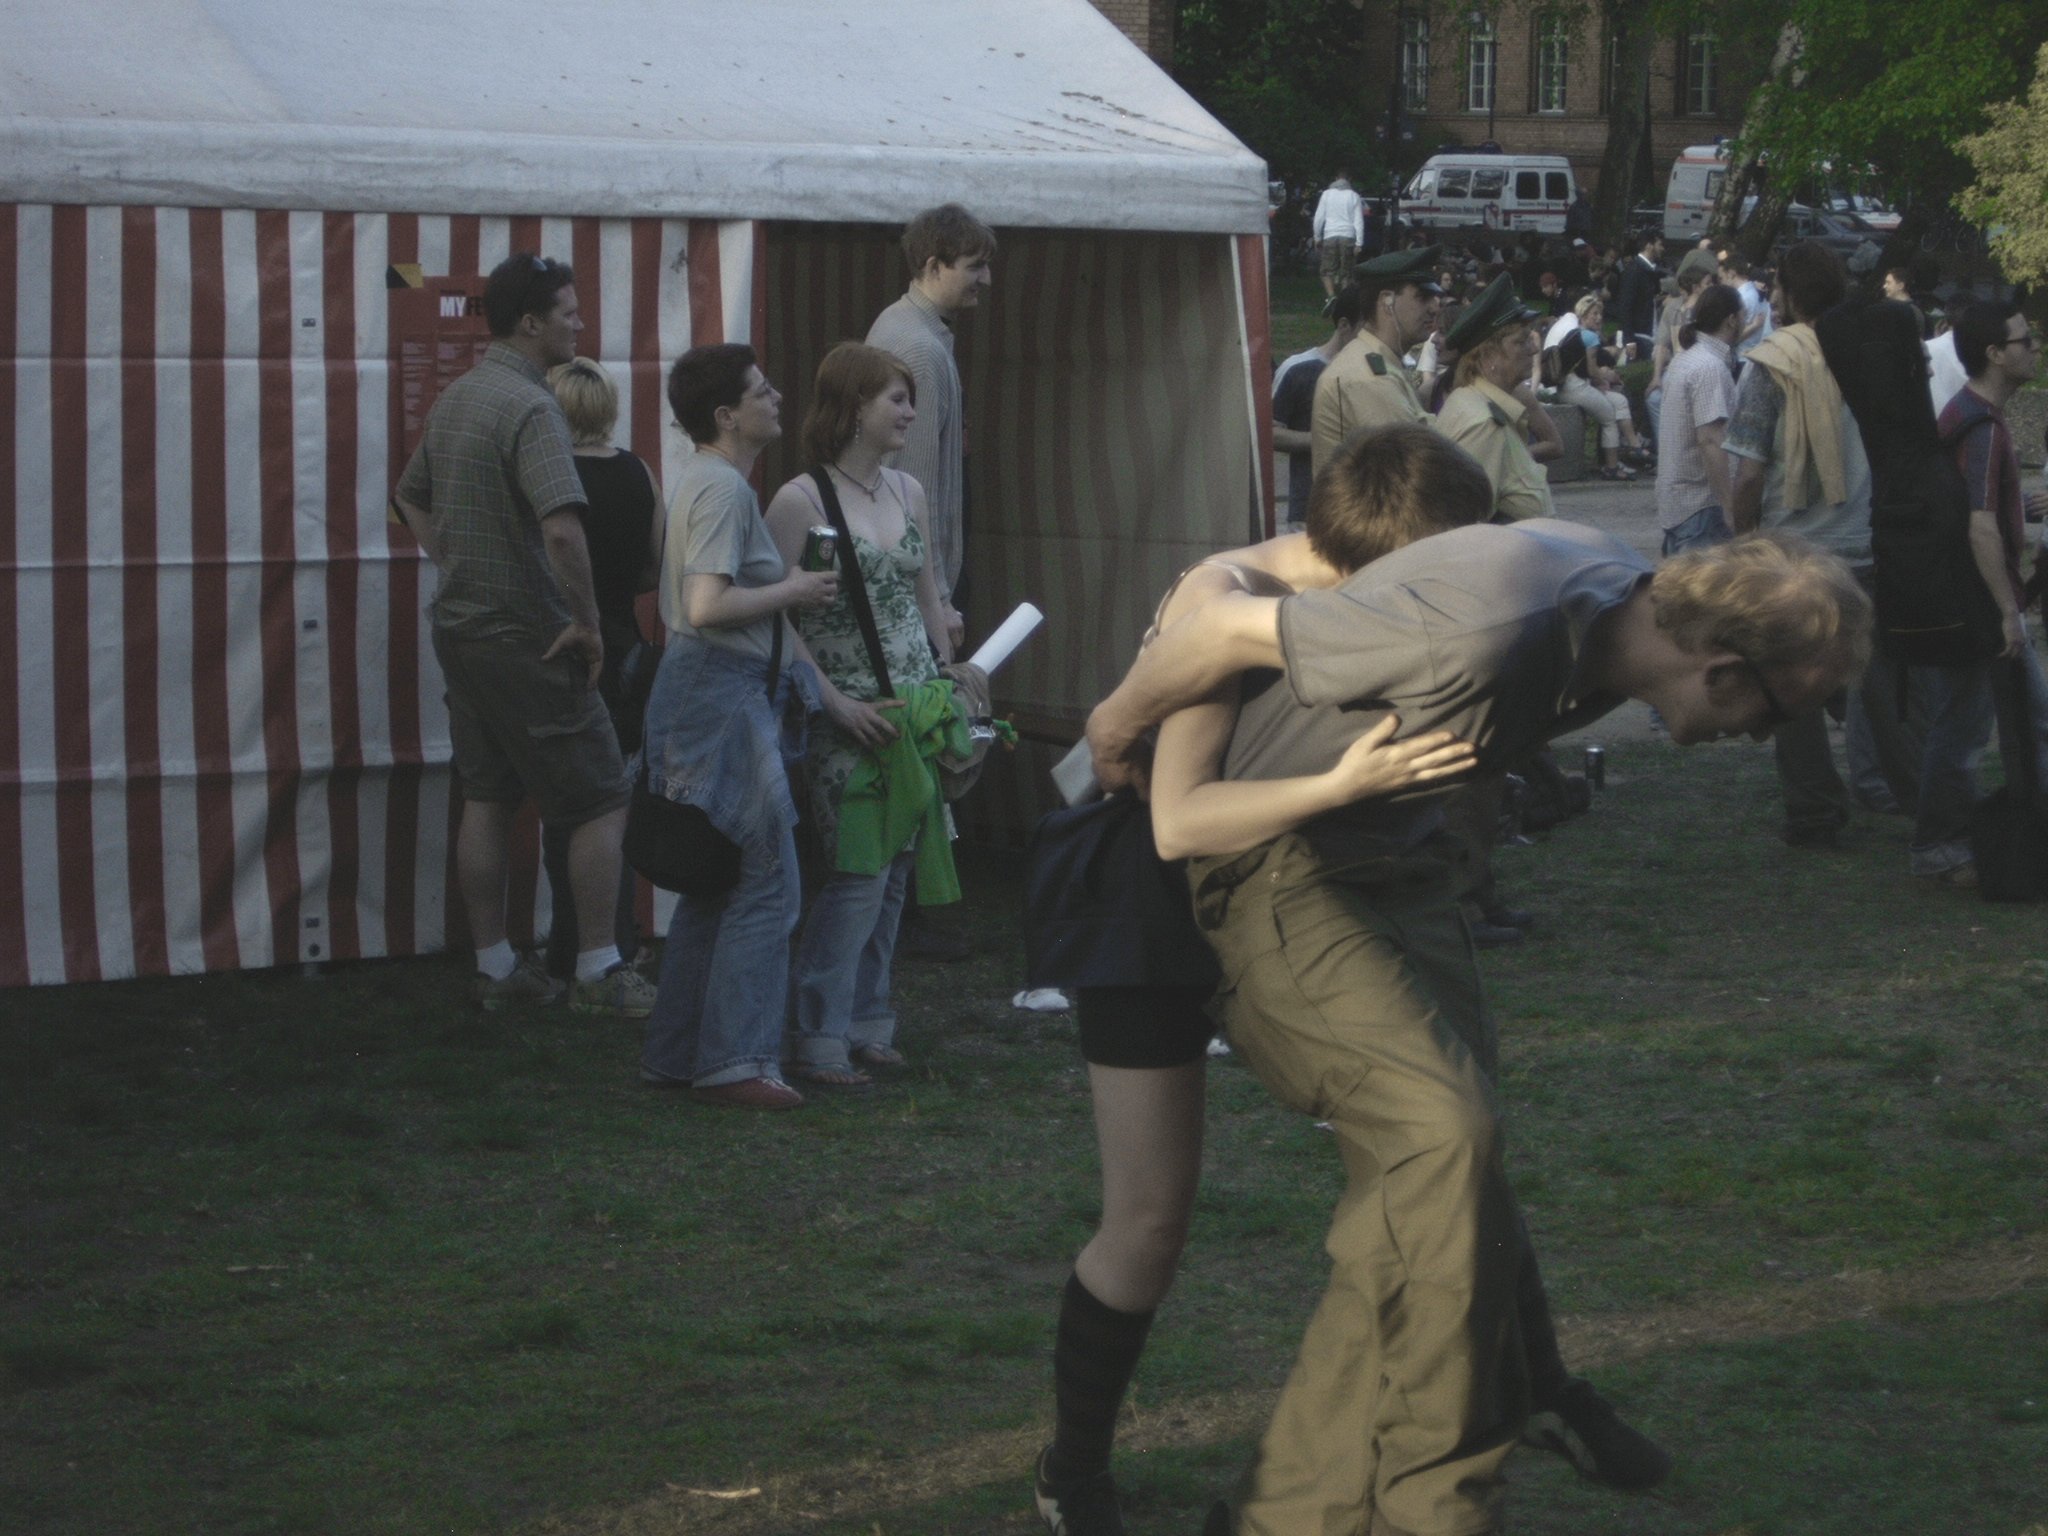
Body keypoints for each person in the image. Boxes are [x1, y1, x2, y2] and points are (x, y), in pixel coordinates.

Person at [1087, 525, 1871, 1536]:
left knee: (1444, 1172)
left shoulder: (1613, 613)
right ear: (1721, 668)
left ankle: (1297, 1506)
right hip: (1277, 864)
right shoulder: (1491, 629)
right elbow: (1218, 621)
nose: (1763, 740)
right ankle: (1431, 1502)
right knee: (1437, 1140)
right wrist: (1115, 725)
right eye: (1777, 715)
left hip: (1392, 862)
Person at [1032, 425, 1493, 1536]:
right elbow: (1177, 819)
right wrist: (1343, 786)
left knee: (1423, 1165)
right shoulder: (1225, 606)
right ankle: (1071, 1471)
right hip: (1155, 911)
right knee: (1150, 1220)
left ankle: (1388, 1461)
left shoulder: (1350, 593)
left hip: (1295, 901)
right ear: (1385, 566)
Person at [392, 252, 655, 1018]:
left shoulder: (459, 396)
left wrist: (456, 561)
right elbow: (565, 535)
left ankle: (496, 967)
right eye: (570, 311)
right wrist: (582, 622)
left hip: (462, 629)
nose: (581, 321)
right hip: (528, 636)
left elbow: (410, 496)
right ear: (531, 323)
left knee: (488, 792)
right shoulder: (533, 408)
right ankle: (602, 972)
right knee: (602, 793)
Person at [637, 344, 835, 1110]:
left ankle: (680, 1053)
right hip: (716, 692)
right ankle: (735, 1062)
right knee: (767, 881)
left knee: (718, 881)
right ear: (727, 415)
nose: (778, 395)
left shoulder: (712, 483)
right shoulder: (721, 491)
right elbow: (705, 607)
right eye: (762, 389)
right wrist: (793, 588)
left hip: (707, 691)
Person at [765, 343, 957, 1086]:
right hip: (844, 705)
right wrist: (833, 703)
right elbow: (777, 618)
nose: (908, 411)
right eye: (894, 399)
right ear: (850, 408)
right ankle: (817, 1038)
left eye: (909, 398)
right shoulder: (801, 499)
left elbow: (928, 595)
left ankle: (870, 1023)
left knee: (900, 868)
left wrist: (950, 684)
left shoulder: (908, 491)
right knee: (855, 874)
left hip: (914, 706)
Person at [1725, 240, 1914, 846]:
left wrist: (1744, 541)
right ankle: (1915, 795)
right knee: (1879, 687)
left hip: (1794, 552)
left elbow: (1749, 470)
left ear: (1786, 291)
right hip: (1866, 544)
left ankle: (1814, 811)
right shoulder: (1873, 351)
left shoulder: (1771, 363)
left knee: (1790, 686)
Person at [539, 357, 662, 984]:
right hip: (624, 646)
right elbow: (653, 566)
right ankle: (614, 940)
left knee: (568, 808)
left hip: (560, 646)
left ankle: (577, 946)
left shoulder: (546, 476)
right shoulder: (639, 472)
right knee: (613, 800)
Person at [1924, 299, 2048, 882]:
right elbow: (1977, 525)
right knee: (1963, 728)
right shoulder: (1982, 426)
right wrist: (2008, 611)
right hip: (1978, 604)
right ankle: (1940, 848)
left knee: (2000, 718)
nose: (2035, 348)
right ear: (1996, 355)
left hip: (1968, 596)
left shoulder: (1975, 416)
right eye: (2025, 341)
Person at [865, 203, 987, 633]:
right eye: (975, 267)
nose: (985, 280)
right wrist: (938, 600)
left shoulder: (909, 326)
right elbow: (915, 490)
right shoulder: (918, 347)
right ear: (934, 266)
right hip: (920, 594)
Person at [1307, 246, 1444, 479]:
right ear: (1386, 301)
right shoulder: (1368, 377)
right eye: (1422, 297)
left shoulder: (1381, 363)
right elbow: (1414, 469)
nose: (1434, 307)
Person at [1435, 275, 1559, 522]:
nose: (1533, 349)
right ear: (1488, 356)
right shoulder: (1485, 425)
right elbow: (1469, 525)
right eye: (1520, 342)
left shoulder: (1477, 402)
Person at [1655, 282, 1745, 555]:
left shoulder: (1686, 360)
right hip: (1702, 509)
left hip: (1678, 506)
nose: (1746, 321)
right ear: (1731, 320)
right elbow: (1710, 440)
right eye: (1743, 315)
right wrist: (1730, 507)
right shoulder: (1709, 368)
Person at [1271, 284, 1363, 530]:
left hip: (1362, 513)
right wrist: (1323, 438)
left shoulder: (1375, 370)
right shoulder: (1299, 368)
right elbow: (1269, 433)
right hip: (1309, 512)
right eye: (1365, 332)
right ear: (1344, 326)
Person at [1311, 169, 1366, 299]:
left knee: (1326, 271)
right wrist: (1359, 242)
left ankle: (1331, 296)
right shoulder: (1354, 196)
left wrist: (1317, 237)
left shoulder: (1326, 194)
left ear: (1335, 179)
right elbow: (1358, 220)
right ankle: (1345, 298)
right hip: (1348, 236)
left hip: (1330, 234)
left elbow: (1319, 218)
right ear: (1350, 180)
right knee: (1347, 272)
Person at [1615, 230, 1666, 357]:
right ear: (1649, 245)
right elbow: (1625, 306)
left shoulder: (1648, 270)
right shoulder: (1634, 271)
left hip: (1646, 331)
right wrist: (1629, 340)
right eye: (1659, 244)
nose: (1662, 248)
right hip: (1637, 335)